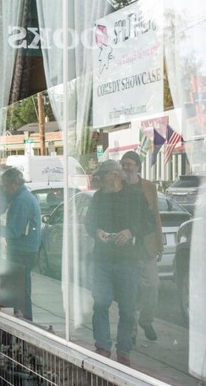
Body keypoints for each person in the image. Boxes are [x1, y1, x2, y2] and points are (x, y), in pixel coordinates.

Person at [85, 159, 155, 367]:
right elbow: (89, 222)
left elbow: (149, 222)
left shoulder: (135, 196)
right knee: (100, 302)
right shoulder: (99, 197)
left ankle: (123, 351)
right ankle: (103, 347)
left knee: (127, 308)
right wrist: (96, 231)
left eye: (103, 176)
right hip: (103, 260)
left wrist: (130, 232)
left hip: (128, 261)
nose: (100, 181)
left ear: (114, 176)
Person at [120, 150, 162, 342]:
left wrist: (159, 244)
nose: (127, 167)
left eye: (130, 164)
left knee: (153, 285)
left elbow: (155, 217)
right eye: (124, 164)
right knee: (131, 291)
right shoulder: (118, 186)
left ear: (138, 166)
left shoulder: (148, 187)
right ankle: (131, 331)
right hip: (126, 247)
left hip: (146, 245)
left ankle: (146, 320)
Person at [0, 167, 41, 321]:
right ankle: (23, 317)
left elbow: (14, 231)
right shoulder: (23, 197)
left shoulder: (21, 200)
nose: (4, 189)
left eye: (5, 185)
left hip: (22, 251)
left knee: (21, 289)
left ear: (14, 184)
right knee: (21, 287)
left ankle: (25, 319)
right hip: (27, 249)